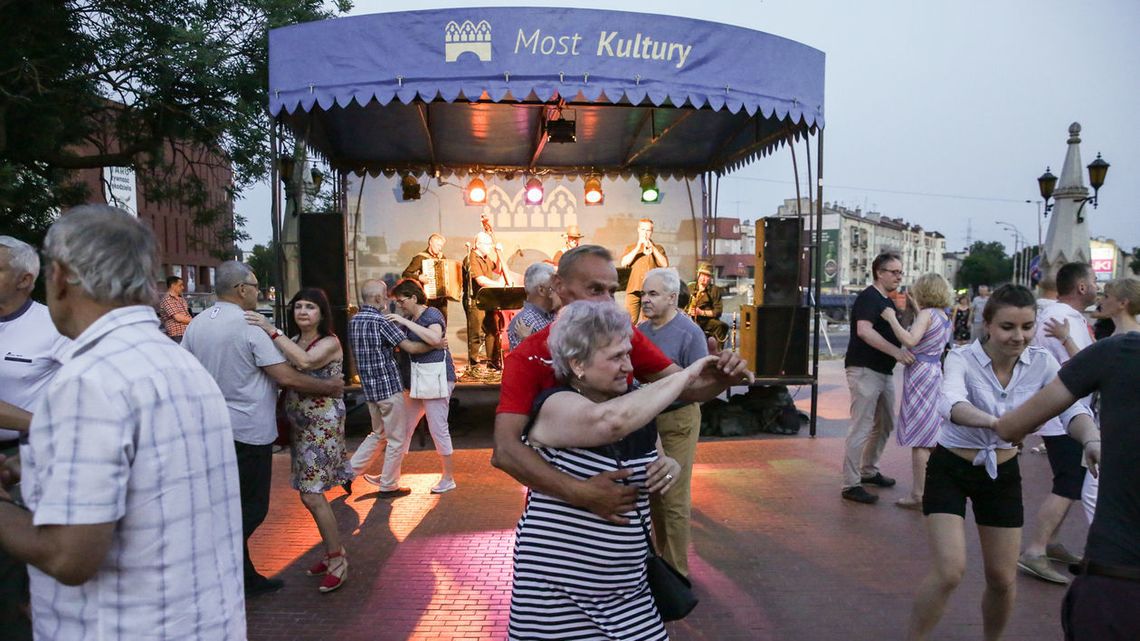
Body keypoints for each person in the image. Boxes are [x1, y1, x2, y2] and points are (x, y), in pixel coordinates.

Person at [0, 205, 247, 639]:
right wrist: (43, 464)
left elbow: (68, 557)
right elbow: (157, 478)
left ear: (59, 276)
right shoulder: (179, 362)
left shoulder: (89, 379)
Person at [492, 244, 752, 528]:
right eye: (595, 290)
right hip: (564, 530)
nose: (607, 301)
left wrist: (720, 376)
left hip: (625, 536)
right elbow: (505, 451)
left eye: (612, 291)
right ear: (558, 285)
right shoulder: (528, 357)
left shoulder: (624, 338)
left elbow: (683, 389)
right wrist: (581, 493)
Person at [508, 300, 716, 640]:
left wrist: (669, 465)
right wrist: (688, 374)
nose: (628, 366)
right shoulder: (554, 405)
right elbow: (609, 423)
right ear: (577, 364)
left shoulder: (633, 401)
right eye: (616, 357)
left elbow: (652, 452)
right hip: (557, 595)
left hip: (628, 589)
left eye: (628, 354)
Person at [906, 284, 1097, 641]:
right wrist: (997, 423)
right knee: (950, 571)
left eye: (1027, 327)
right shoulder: (962, 357)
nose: (1018, 336)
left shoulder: (1042, 362)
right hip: (951, 468)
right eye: (1008, 327)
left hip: (1002, 473)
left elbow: (1072, 406)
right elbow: (949, 403)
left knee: (1002, 578)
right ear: (988, 325)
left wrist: (1091, 438)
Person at [184, 260, 344, 597]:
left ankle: (244, 576)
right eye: (255, 286)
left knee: (228, 503)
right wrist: (328, 387)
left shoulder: (197, 324)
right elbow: (286, 375)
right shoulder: (250, 325)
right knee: (252, 508)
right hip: (248, 430)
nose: (258, 293)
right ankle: (217, 563)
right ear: (242, 289)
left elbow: (185, 370)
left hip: (213, 428)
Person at [245, 288, 354, 593]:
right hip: (301, 425)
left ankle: (338, 559)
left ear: (322, 314)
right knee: (310, 493)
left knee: (312, 494)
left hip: (322, 426)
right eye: (298, 307)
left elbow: (305, 363)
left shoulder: (329, 342)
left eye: (310, 307)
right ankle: (332, 551)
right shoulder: (292, 341)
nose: (303, 312)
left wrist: (270, 329)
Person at [0, 236, 69, 640]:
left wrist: (40, 429)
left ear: (27, 279)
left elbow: (82, 396)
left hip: (22, 463)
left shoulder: (52, 327)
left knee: (17, 577)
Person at [1016, 262, 1098, 584]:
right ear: (1080, 286)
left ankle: (1049, 543)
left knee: (1071, 482)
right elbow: (1077, 368)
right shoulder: (1059, 319)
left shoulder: (1069, 319)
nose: (1096, 285)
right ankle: (1034, 551)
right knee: (1068, 483)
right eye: (1092, 280)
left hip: (1072, 414)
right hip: (1064, 416)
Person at [1049, 277, 1140, 525]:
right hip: (1114, 424)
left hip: (1115, 427)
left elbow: (1088, 367)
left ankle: (1104, 553)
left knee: (1092, 492)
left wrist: (1066, 339)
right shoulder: (1122, 336)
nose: (1102, 300)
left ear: (1123, 303)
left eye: (1107, 296)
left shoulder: (1122, 341)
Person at [637, 267, 709, 576]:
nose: (646, 300)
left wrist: (667, 386)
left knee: (674, 498)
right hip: (645, 422)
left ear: (672, 297)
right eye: (643, 294)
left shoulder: (689, 332)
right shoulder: (639, 332)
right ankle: (662, 563)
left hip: (677, 420)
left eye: (653, 294)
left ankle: (678, 575)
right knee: (654, 497)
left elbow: (701, 384)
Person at [345, 279, 434, 495]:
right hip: (388, 388)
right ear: (377, 298)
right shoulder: (381, 322)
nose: (387, 299)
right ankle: (389, 485)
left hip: (370, 390)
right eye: (385, 295)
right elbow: (410, 347)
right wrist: (435, 344)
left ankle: (347, 473)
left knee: (378, 433)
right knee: (397, 438)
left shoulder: (354, 321)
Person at [841, 251, 914, 504]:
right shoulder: (869, 298)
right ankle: (850, 484)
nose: (898, 276)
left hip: (882, 371)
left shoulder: (887, 301)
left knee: (884, 424)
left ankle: (869, 470)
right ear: (879, 273)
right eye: (894, 272)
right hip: (864, 369)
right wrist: (896, 351)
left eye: (900, 272)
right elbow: (864, 331)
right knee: (861, 425)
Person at [372, 279, 457, 494]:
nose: (399, 305)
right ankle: (389, 476)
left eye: (401, 301)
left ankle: (448, 477)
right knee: (402, 428)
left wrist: (406, 322)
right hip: (419, 381)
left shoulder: (432, 314)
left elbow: (435, 336)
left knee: (438, 428)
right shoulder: (412, 317)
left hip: (436, 378)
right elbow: (431, 341)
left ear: (413, 297)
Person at [880, 273, 953, 510]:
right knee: (931, 433)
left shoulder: (926, 314)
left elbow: (911, 340)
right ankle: (932, 489)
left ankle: (918, 494)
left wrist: (892, 319)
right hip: (934, 371)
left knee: (921, 438)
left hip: (920, 374)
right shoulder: (944, 316)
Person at [464, 231, 506, 372]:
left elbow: (498, 269)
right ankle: (474, 366)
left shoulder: (486, 257)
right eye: (488, 244)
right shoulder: (472, 258)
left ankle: (492, 363)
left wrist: (499, 253)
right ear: (478, 244)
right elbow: (480, 280)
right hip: (476, 300)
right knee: (476, 333)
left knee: (492, 331)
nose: (490, 246)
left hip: (487, 299)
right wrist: (499, 285)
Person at [619, 218, 668, 323]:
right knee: (629, 322)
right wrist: (638, 247)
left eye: (648, 230)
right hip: (633, 290)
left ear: (652, 232)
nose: (645, 233)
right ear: (638, 230)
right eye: (643, 230)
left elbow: (665, 264)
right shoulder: (631, 247)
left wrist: (652, 248)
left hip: (651, 291)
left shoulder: (658, 248)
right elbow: (624, 263)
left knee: (649, 323)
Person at [507, 262, 558, 350]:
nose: (559, 292)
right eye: (553, 288)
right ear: (541, 290)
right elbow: (529, 361)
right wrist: (528, 340)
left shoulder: (555, 314)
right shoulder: (525, 321)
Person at [402, 233, 449, 322]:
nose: (440, 248)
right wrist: (419, 278)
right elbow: (405, 274)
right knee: (428, 322)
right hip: (427, 298)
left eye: (441, 246)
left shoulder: (442, 257)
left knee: (442, 322)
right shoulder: (421, 257)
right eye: (438, 245)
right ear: (430, 243)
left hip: (441, 299)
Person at [688, 262, 728, 346]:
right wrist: (688, 310)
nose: (703, 278)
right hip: (688, 319)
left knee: (721, 326)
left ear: (710, 278)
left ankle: (717, 354)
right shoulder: (690, 287)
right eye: (702, 275)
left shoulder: (715, 290)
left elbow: (718, 311)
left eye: (707, 276)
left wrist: (701, 312)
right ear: (698, 274)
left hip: (706, 321)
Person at [158, 275, 193, 342]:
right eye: (180, 285)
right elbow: (178, 318)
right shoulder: (167, 299)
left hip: (187, 332)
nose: (183, 287)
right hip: (177, 334)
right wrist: (196, 322)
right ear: (173, 285)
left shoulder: (181, 299)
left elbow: (186, 316)